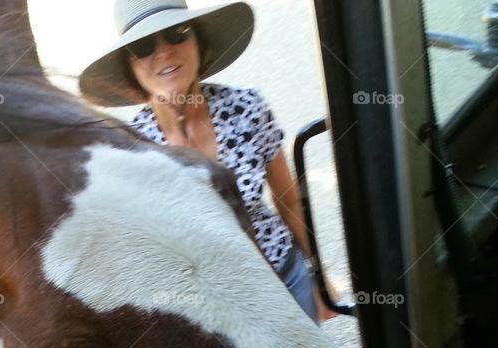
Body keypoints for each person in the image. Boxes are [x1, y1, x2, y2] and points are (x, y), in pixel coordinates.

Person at [79, 0, 336, 322]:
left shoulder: (247, 107)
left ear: (199, 41)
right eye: (143, 46)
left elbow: (287, 200)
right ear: (130, 69)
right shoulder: (131, 149)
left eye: (177, 33)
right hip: (215, 315)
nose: (164, 53)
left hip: (286, 281)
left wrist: (318, 278)